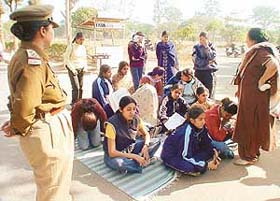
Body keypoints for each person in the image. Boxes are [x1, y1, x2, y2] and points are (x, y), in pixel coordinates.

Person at [1, 5, 73, 201]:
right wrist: (18, 125)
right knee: (54, 192)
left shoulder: (26, 54)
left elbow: (19, 96)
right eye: (51, 28)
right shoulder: (32, 60)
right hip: (47, 129)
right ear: (42, 30)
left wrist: (17, 124)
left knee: (55, 188)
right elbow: (25, 104)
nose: (52, 32)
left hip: (45, 125)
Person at [233, 28, 280, 166]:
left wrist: (260, 82)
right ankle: (252, 153)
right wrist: (241, 89)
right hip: (249, 97)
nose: (245, 40)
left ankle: (249, 156)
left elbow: (273, 65)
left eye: (247, 37)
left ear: (253, 39)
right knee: (250, 124)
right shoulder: (256, 52)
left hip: (254, 99)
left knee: (250, 124)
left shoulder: (261, 52)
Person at [103, 96, 160, 173]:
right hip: (116, 154)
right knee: (120, 164)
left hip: (130, 148)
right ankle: (143, 162)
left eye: (134, 109)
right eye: (128, 109)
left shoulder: (136, 119)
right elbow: (112, 152)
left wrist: (145, 146)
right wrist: (135, 156)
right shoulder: (112, 124)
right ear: (121, 109)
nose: (132, 112)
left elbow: (146, 134)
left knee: (156, 141)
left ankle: (137, 162)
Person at [161, 105, 220, 176]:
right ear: (192, 120)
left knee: (210, 151)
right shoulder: (186, 132)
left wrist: (214, 152)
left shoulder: (201, 127)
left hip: (190, 150)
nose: (203, 122)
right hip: (174, 155)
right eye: (200, 119)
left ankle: (198, 163)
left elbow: (206, 142)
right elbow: (185, 156)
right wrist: (207, 165)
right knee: (189, 167)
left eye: (204, 119)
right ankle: (198, 165)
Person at [64, 32, 87, 105]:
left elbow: (84, 58)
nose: (82, 41)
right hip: (72, 69)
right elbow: (66, 59)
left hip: (81, 68)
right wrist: (73, 70)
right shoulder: (71, 46)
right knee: (76, 87)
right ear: (77, 39)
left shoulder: (83, 47)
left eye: (83, 40)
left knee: (80, 87)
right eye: (81, 39)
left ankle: (79, 103)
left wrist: (85, 67)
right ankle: (74, 103)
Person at [192, 32, 217, 98]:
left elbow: (212, 57)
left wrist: (206, 47)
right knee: (198, 92)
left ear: (207, 39)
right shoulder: (196, 47)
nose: (202, 41)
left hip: (208, 73)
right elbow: (196, 61)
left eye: (203, 39)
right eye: (200, 39)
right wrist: (207, 62)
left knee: (209, 93)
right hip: (198, 72)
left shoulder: (212, 47)